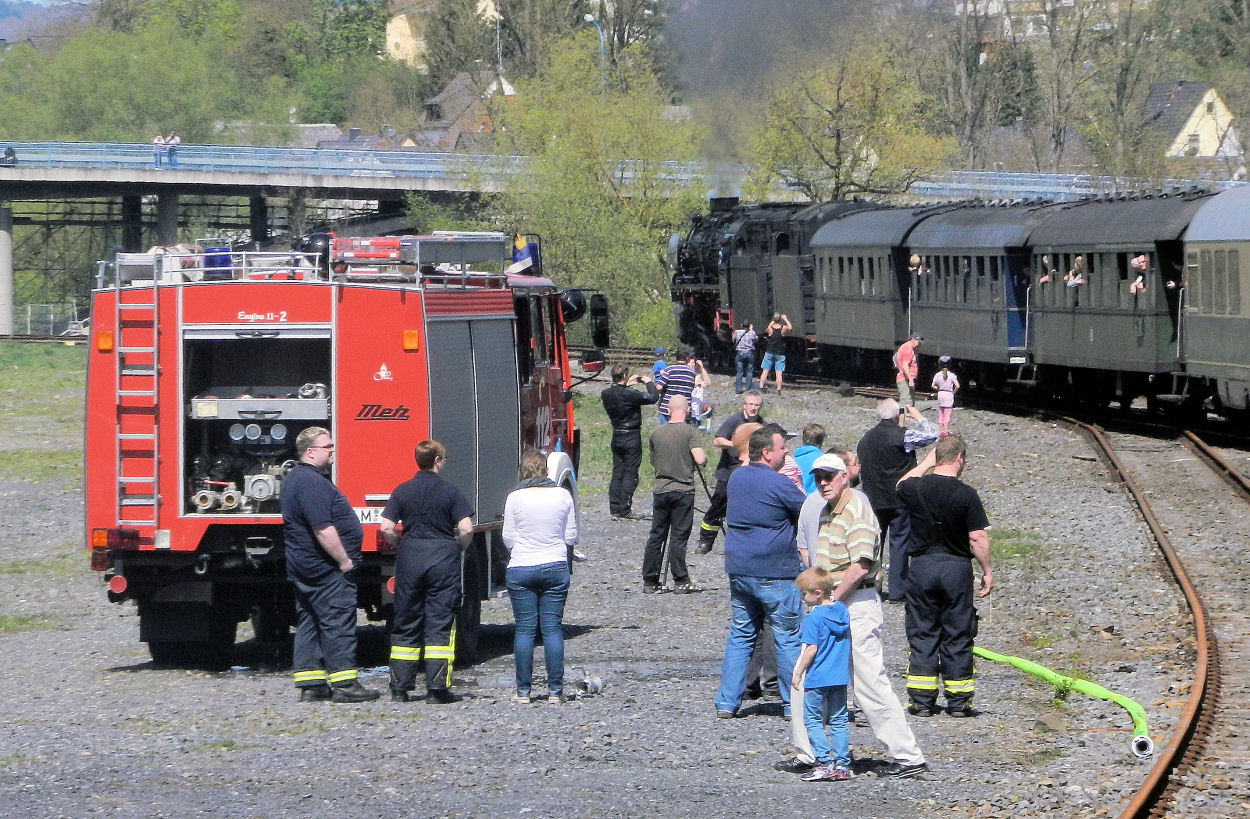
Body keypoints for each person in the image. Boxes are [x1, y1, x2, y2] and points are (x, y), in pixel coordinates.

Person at [780, 453, 928, 778]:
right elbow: (821, 562)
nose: (822, 482)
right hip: (833, 603)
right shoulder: (824, 512)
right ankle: (810, 753)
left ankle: (907, 755)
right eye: (818, 476)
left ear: (845, 475)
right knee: (805, 672)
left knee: (868, 681)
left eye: (829, 476)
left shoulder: (857, 509)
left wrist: (833, 597)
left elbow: (861, 563)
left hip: (855, 602)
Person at [280, 426, 380, 703]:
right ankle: (345, 684)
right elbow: (323, 529)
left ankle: (311, 683)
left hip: (305, 568)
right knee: (337, 622)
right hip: (326, 569)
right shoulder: (311, 483)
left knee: (310, 621)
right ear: (310, 452)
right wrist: (344, 560)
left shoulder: (293, 479)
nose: (333, 450)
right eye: (328, 447)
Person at [713, 425, 807, 719]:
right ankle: (794, 703)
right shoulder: (778, 483)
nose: (786, 452)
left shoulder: (737, 477)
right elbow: (804, 510)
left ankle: (727, 702)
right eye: (782, 448)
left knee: (741, 634)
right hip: (775, 570)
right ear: (767, 453)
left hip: (740, 567)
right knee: (788, 636)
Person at [896, 436, 992, 717]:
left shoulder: (916, 488)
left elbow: (901, 483)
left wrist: (926, 463)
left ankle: (922, 702)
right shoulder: (966, 494)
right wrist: (987, 570)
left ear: (937, 458)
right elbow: (977, 537)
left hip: (922, 567)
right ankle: (959, 702)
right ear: (960, 457)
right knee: (958, 632)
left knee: (923, 630)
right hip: (956, 569)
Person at [380, 440, 474, 704]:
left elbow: (386, 527)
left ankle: (400, 687)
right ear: (436, 461)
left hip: (410, 559)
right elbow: (466, 528)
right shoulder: (450, 492)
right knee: (439, 624)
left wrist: (401, 544)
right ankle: (437, 689)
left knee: (405, 621)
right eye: (444, 458)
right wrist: (458, 549)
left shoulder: (402, 490)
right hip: (442, 559)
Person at [502, 449, 578, 704]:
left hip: (522, 567)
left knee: (524, 629)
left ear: (522, 472)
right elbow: (571, 537)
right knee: (552, 628)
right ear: (547, 471)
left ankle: (523, 691)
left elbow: (508, 538)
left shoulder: (514, 498)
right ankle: (555, 691)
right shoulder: (562, 495)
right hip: (555, 566)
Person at [857, 398, 938, 602]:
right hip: (899, 499)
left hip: (874, 498)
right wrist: (918, 417)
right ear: (897, 414)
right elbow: (932, 434)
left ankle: (870, 586)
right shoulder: (902, 436)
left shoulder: (866, 438)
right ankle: (897, 590)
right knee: (899, 543)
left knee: (874, 543)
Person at [789, 566, 853, 782]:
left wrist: (798, 673)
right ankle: (842, 764)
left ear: (817, 593)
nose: (802, 598)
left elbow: (811, 649)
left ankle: (824, 762)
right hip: (839, 676)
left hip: (817, 677)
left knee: (814, 720)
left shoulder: (814, 617)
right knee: (839, 720)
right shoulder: (842, 611)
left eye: (804, 593)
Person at [643, 395, 707, 594]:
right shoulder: (690, 432)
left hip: (661, 489)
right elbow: (700, 458)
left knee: (657, 535)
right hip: (683, 489)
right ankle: (680, 579)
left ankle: (650, 580)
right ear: (687, 410)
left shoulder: (656, 433)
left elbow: (654, 462)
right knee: (679, 536)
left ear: (668, 411)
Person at [696, 390, 764, 554]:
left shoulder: (763, 425)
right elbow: (717, 440)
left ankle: (745, 544)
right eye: (750, 404)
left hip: (751, 472)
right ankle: (705, 541)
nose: (753, 408)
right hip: (729, 469)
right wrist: (739, 444)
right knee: (718, 506)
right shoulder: (734, 420)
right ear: (744, 405)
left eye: (756, 405)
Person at [600, 363, 658, 520]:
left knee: (617, 471)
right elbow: (653, 398)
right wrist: (648, 382)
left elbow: (618, 392)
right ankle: (625, 508)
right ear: (625, 376)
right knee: (630, 472)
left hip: (616, 434)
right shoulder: (630, 394)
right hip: (631, 435)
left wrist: (627, 385)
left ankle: (615, 508)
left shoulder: (606, 394)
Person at [656, 347, 708, 424]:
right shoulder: (692, 372)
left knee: (665, 433)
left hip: (667, 408)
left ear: (676, 357)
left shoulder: (669, 369)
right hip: (684, 409)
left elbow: (659, 387)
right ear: (687, 358)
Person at [758, 313, 792, 395]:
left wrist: (772, 321)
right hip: (780, 353)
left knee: (765, 371)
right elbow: (790, 327)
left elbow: (768, 327)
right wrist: (786, 319)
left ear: (773, 320)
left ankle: (761, 387)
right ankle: (778, 390)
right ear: (780, 320)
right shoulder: (783, 328)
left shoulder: (770, 329)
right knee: (779, 373)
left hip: (769, 352)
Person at [931, 356, 960, 436]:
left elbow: (933, 385)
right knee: (947, 414)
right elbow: (957, 386)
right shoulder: (952, 375)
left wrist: (939, 388)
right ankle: (946, 431)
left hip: (941, 394)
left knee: (941, 413)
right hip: (949, 394)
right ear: (949, 365)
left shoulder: (937, 375)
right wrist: (953, 392)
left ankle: (940, 431)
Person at [794, 423, 826, 495]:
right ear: (821, 441)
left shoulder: (794, 460)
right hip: (815, 498)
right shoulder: (822, 459)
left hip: (798, 498)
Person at [894, 334, 922, 407]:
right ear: (913, 339)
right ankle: (902, 417)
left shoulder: (908, 347)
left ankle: (906, 417)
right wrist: (910, 379)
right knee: (907, 402)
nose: (919, 344)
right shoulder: (908, 348)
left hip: (907, 379)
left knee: (910, 402)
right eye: (918, 342)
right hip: (904, 379)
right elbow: (905, 365)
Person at [732, 321, 758, 395]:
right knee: (749, 372)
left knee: (739, 372)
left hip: (740, 353)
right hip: (749, 353)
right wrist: (752, 330)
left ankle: (738, 389)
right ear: (749, 326)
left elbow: (733, 340)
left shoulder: (737, 332)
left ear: (742, 325)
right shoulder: (752, 333)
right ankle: (748, 389)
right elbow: (756, 340)